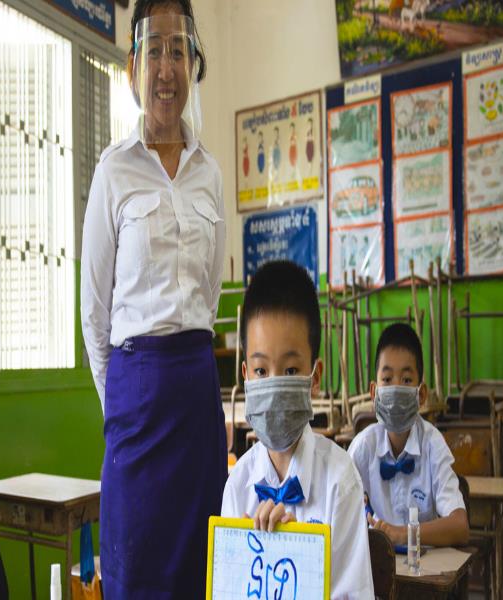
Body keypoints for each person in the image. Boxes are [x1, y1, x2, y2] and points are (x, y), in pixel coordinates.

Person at [79, 0, 226, 596]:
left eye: (179, 50)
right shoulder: (113, 172)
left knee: (201, 563)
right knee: (135, 568)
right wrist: (120, 404)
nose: (167, 68)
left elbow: (210, 293)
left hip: (196, 391)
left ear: (193, 63)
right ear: (133, 64)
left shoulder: (210, 174)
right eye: (155, 50)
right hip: (134, 397)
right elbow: (93, 310)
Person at [222, 261, 374, 599]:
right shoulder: (237, 486)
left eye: (290, 369)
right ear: (245, 375)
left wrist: (300, 569)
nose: (274, 384)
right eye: (261, 371)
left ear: (315, 378)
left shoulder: (340, 479)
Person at [348, 323, 469, 546]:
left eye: (406, 380)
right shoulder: (362, 448)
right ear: (374, 392)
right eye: (387, 379)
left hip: (424, 572)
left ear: (421, 394)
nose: (395, 388)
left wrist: (402, 534)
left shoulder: (432, 444)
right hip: (377, 574)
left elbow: (460, 526)